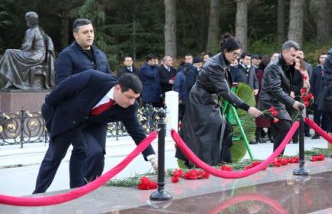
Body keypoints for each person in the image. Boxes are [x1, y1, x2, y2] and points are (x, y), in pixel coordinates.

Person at [33, 71, 156, 194]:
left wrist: (152, 157)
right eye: (129, 97)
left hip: (94, 124)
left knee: (95, 152)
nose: (131, 102)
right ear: (118, 88)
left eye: (135, 98)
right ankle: (37, 193)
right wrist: (52, 122)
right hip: (69, 116)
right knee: (55, 155)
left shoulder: (130, 107)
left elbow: (137, 131)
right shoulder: (92, 78)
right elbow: (57, 95)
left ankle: (82, 191)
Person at [176, 33, 262, 166]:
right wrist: (247, 107)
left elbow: (223, 86)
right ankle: (204, 163)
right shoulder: (214, 65)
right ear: (225, 51)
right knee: (210, 129)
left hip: (209, 98)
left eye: (238, 54)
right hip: (200, 100)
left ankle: (220, 162)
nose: (236, 57)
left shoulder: (223, 60)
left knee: (225, 127)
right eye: (234, 54)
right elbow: (224, 91)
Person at [54, 18, 112, 189]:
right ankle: (78, 189)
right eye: (85, 32)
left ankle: (90, 188)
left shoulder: (101, 55)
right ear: (75, 34)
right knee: (85, 151)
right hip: (77, 116)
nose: (90, 35)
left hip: (99, 116)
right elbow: (62, 85)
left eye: (91, 31)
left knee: (99, 153)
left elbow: (110, 81)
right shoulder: (66, 56)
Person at [259, 41, 305, 155]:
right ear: (284, 52)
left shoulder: (286, 65)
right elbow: (276, 89)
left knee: (281, 130)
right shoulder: (274, 66)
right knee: (285, 127)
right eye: (293, 55)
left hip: (278, 101)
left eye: (296, 56)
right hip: (270, 101)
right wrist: (293, 103)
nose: (295, 58)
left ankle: (277, 158)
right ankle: (277, 157)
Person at [0, 11, 55, 90]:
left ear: (29, 21)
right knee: (11, 54)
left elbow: (26, 47)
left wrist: (19, 51)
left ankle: (13, 81)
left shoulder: (31, 31)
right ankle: (12, 81)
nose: (26, 22)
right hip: (40, 55)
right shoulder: (39, 29)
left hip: (35, 56)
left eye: (27, 20)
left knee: (9, 52)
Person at [310, 53, 330, 139]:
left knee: (327, 115)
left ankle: (326, 131)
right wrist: (312, 94)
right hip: (317, 96)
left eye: (325, 58)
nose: (323, 59)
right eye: (321, 57)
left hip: (328, 96)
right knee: (317, 115)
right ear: (319, 59)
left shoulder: (331, 69)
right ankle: (317, 132)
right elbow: (312, 83)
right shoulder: (315, 69)